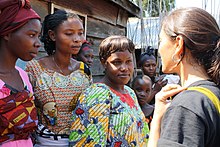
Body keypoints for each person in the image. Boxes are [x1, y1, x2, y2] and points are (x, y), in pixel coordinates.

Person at [148, 7, 220, 147]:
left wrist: (157, 121)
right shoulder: (213, 94)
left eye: (161, 41)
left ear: (178, 44)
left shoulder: (186, 106)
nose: (160, 49)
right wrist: (157, 117)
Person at [25, 10, 91, 146]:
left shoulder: (83, 70)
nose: (77, 39)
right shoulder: (34, 69)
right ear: (52, 35)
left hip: (81, 141)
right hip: (47, 143)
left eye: (80, 33)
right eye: (69, 33)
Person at [69, 35, 149, 146]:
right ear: (104, 62)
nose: (124, 68)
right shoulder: (97, 94)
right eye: (117, 62)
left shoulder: (129, 92)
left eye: (128, 61)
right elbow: (88, 143)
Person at [0, 0, 41, 146]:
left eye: (38, 36)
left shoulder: (23, 76)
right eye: (31, 35)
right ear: (8, 34)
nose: (38, 43)